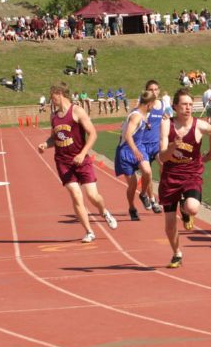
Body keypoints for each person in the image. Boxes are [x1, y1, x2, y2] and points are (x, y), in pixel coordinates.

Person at [37, 82, 118, 243]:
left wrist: (82, 153)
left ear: (59, 94)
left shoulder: (77, 111)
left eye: (52, 96)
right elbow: (55, 137)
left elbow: (93, 134)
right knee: (76, 195)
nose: (51, 100)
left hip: (81, 160)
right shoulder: (53, 116)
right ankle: (89, 231)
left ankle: (104, 212)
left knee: (92, 196)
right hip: (63, 162)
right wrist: (45, 144)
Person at [157, 87, 211, 268]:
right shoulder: (166, 124)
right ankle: (177, 253)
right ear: (175, 106)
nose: (188, 107)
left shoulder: (199, 126)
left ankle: (185, 211)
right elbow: (162, 157)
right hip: (170, 176)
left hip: (191, 174)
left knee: (192, 208)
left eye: (191, 104)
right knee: (169, 224)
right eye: (184, 104)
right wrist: (171, 147)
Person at [114, 90, 157, 221]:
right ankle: (132, 207)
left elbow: (140, 125)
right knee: (132, 185)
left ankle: (143, 194)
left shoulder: (143, 114)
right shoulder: (136, 116)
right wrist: (134, 150)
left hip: (139, 147)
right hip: (127, 150)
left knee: (148, 172)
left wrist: (147, 125)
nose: (154, 107)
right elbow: (127, 135)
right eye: (153, 105)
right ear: (149, 104)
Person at [139, 80, 167, 213]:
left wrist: (167, 117)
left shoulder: (162, 104)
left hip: (156, 144)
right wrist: (143, 120)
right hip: (143, 144)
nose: (154, 92)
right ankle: (151, 199)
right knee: (148, 174)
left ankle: (165, 194)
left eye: (156, 89)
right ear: (146, 91)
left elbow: (167, 119)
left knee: (165, 166)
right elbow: (134, 117)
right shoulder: (143, 105)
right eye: (151, 89)